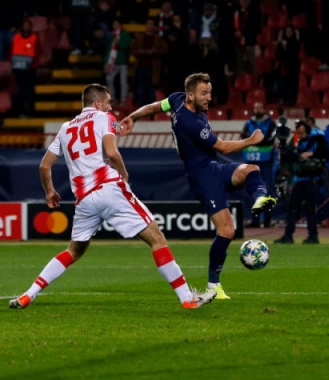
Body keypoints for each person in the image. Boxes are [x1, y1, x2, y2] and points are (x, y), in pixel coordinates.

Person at [9, 84, 215, 310]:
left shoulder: (65, 128)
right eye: (107, 103)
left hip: (84, 199)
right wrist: (124, 173)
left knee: (73, 251)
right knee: (157, 239)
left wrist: (50, 191)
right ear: (98, 103)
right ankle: (187, 297)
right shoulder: (104, 117)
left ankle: (29, 294)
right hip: (108, 188)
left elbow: (44, 166)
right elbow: (112, 151)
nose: (110, 107)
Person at [119, 73, 277, 300]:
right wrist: (251, 141)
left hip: (213, 168)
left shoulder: (176, 99)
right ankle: (214, 286)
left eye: (209, 92)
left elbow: (155, 107)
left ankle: (260, 199)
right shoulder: (190, 121)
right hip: (202, 177)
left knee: (251, 169)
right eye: (204, 93)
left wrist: (133, 116)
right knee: (227, 231)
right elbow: (223, 147)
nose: (209, 98)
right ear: (191, 95)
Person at [275, 120, 329, 244]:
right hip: (299, 178)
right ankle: (288, 235)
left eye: (301, 133)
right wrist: (282, 146)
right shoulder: (297, 142)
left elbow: (326, 156)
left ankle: (313, 236)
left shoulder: (317, 140)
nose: (300, 135)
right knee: (292, 208)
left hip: (311, 179)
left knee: (309, 208)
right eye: (298, 133)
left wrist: (312, 154)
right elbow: (289, 157)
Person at [241, 101, 278, 228]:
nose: (258, 109)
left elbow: (270, 139)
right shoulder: (248, 123)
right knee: (252, 190)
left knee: (267, 190)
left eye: (260, 107)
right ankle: (255, 220)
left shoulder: (271, 123)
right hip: (251, 162)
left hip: (266, 162)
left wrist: (253, 141)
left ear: (264, 109)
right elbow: (244, 137)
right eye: (256, 107)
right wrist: (260, 140)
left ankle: (267, 221)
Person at [11, 18, 39, 117]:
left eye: (28, 25)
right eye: (25, 25)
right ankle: (20, 111)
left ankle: (30, 111)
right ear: (22, 26)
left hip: (30, 69)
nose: (26, 27)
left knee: (29, 91)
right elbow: (12, 52)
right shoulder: (16, 37)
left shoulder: (34, 38)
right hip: (18, 69)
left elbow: (37, 52)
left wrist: (33, 65)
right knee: (19, 91)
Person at [104, 19, 131, 107]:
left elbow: (127, 45)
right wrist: (106, 63)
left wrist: (118, 42)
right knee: (109, 78)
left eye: (117, 24)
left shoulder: (125, 34)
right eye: (114, 24)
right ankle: (113, 98)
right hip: (113, 62)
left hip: (123, 62)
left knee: (123, 81)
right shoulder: (112, 35)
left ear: (120, 25)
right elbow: (108, 50)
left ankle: (123, 100)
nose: (115, 26)